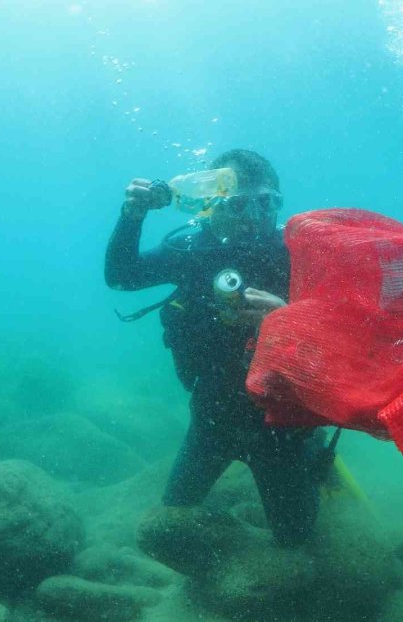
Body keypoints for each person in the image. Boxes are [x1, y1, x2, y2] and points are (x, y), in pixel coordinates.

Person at [104, 149, 321, 547]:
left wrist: (289, 321)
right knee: (173, 521)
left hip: (285, 421)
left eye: (267, 203)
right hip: (213, 415)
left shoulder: (298, 255)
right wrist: (132, 215)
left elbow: (349, 334)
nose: (254, 218)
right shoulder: (191, 252)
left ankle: (318, 463)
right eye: (237, 205)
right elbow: (122, 277)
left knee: (297, 541)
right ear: (210, 205)